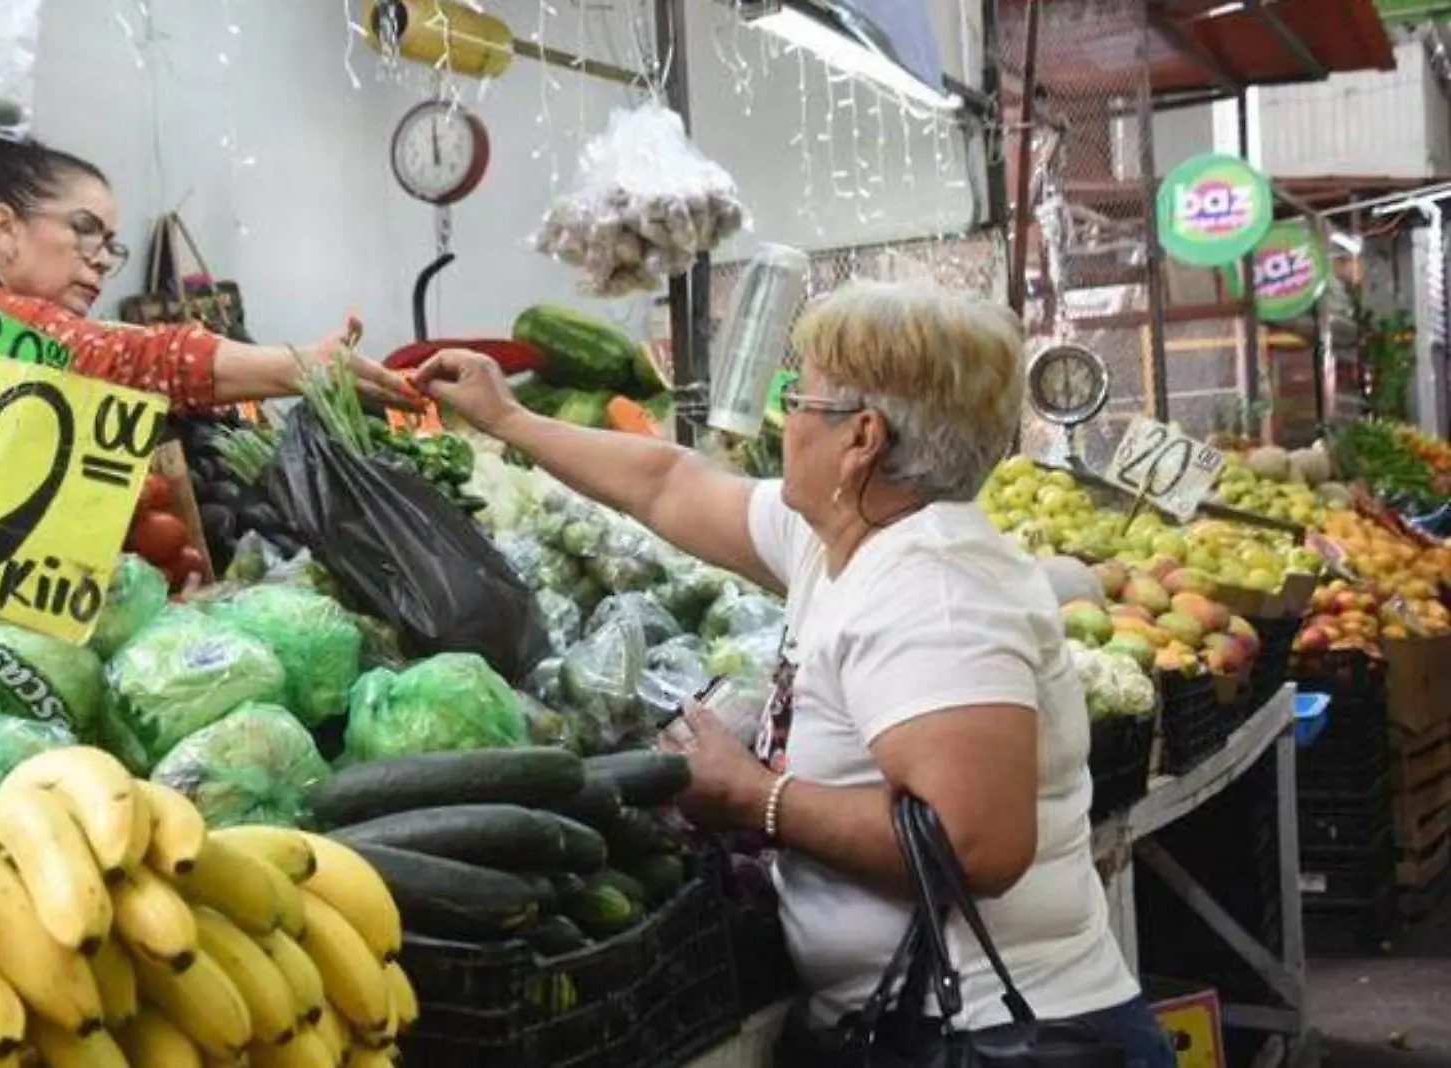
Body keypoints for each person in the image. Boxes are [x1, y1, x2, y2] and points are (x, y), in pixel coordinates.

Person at [416, 281, 1175, 1067]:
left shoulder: (936, 592)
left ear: (863, 438)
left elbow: (975, 845)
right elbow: (668, 484)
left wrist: (752, 795)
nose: (785, 422)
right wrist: (507, 418)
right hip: (924, 1027)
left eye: (800, 400)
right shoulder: (844, 535)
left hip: (996, 1040)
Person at [0, 134, 412, 413]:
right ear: (4, 228)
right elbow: (130, 359)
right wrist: (300, 365)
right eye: (83, 229)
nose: (99, 259)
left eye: (110, 245)